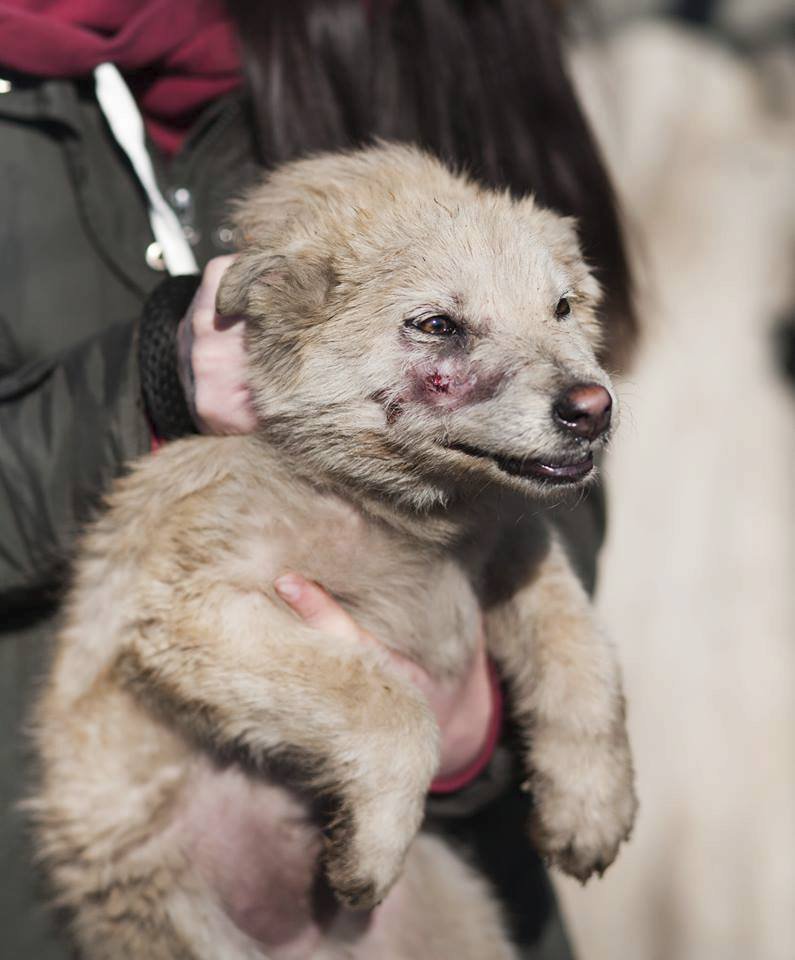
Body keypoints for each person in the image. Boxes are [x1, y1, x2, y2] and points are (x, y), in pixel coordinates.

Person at [0, 1, 636, 957]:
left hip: (435, 867)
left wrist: (487, 714)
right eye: (437, 326)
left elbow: (553, 439)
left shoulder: (429, 25)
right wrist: (150, 383)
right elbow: (185, 614)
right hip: (109, 883)